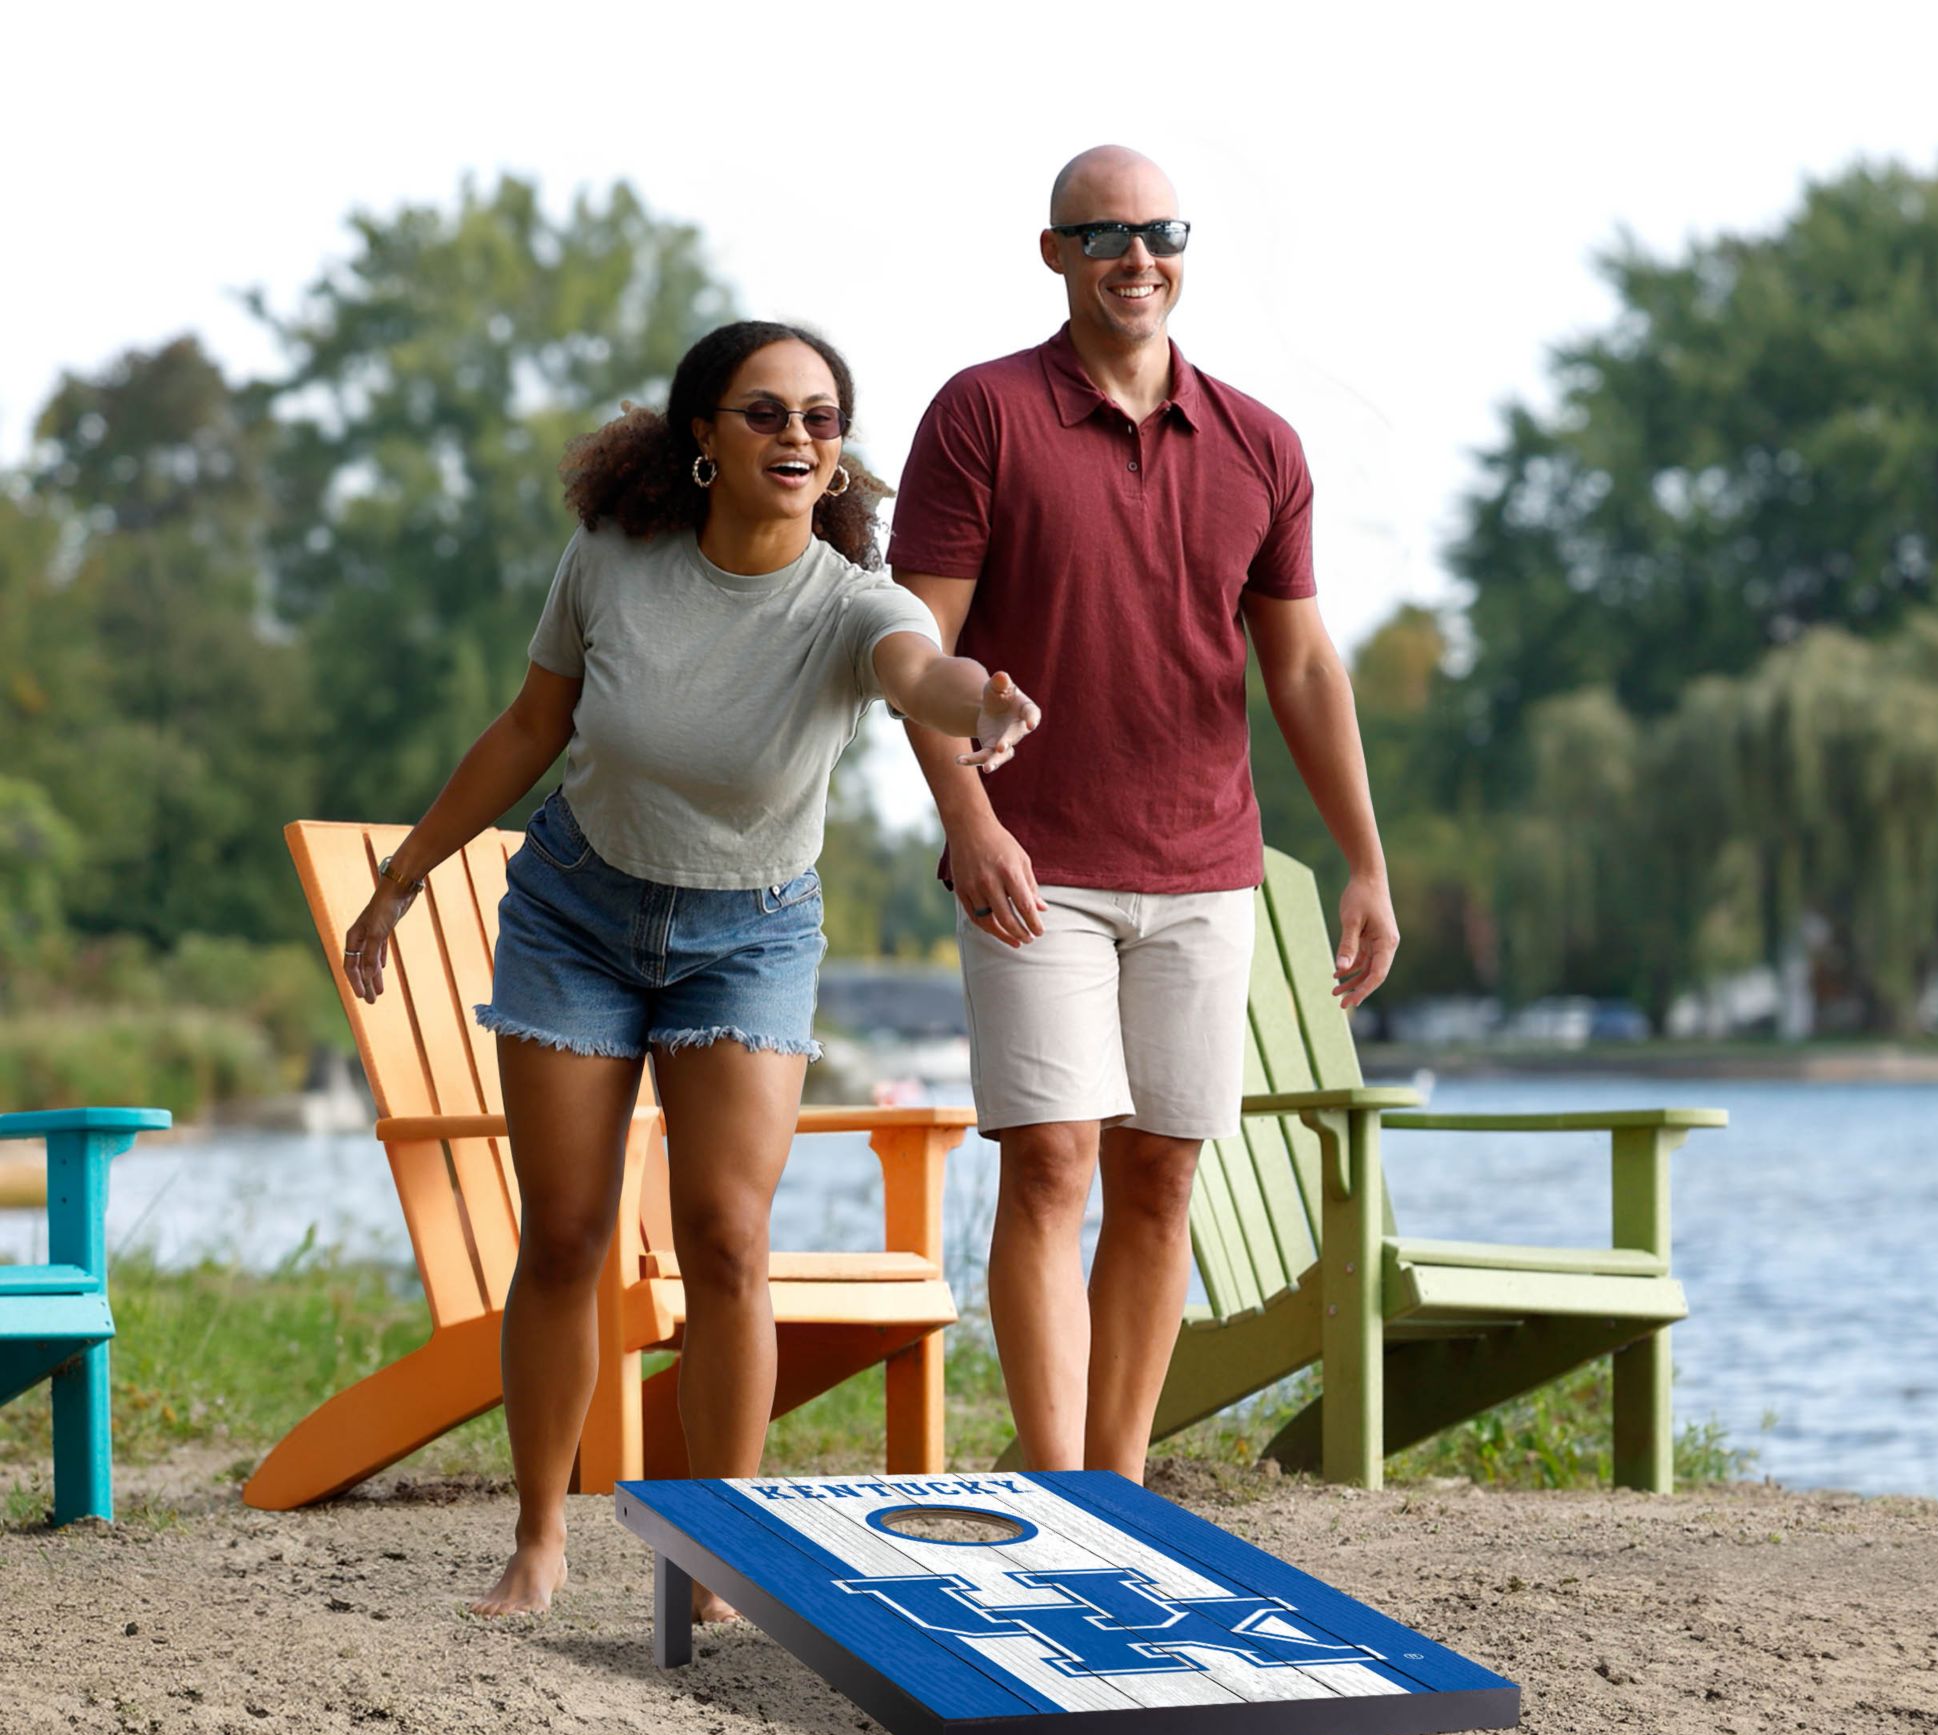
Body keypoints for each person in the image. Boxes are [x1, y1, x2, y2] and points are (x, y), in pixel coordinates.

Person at [340, 320, 1040, 1619]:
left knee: (727, 1239)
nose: (796, 438)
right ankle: (542, 1540)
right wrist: (410, 870)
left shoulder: (853, 602)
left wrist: (980, 707)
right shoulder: (613, 561)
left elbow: (919, 675)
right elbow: (531, 726)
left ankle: (722, 1554)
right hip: (576, 917)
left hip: (751, 936)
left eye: (821, 420)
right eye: (765, 413)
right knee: (565, 1234)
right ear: (704, 440)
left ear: (838, 459)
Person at [887, 146, 1397, 1480]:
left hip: (1204, 866)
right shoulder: (980, 416)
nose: (1135, 256)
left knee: (1162, 1173)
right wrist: (968, 822)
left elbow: (1302, 666)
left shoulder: (1259, 444)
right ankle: (1056, 1484)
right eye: (1102, 233)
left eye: (1158, 231)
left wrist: (1364, 863)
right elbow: (909, 652)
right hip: (1033, 865)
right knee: (1053, 1161)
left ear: (1184, 247)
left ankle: (1115, 1483)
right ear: (1052, 252)